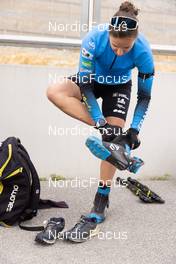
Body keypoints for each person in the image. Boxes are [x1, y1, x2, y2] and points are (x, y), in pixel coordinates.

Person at [47, 1, 154, 242]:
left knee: (116, 134)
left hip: (119, 87)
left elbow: (144, 96)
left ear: (135, 41)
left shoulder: (144, 52)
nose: (119, 52)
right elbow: (84, 85)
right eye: (115, 46)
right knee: (54, 91)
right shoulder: (93, 39)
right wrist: (100, 123)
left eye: (125, 48)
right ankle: (115, 140)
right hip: (92, 82)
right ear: (108, 34)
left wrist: (134, 130)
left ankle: (101, 199)